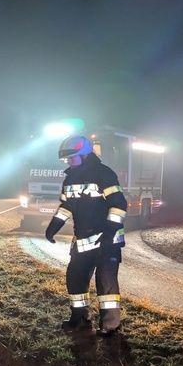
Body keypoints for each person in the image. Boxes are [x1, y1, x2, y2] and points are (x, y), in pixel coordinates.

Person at [44, 135, 128, 336]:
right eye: (66, 159)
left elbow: (119, 205)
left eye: (71, 158)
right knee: (75, 279)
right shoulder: (70, 178)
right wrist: (53, 227)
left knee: (105, 284)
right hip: (82, 242)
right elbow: (67, 206)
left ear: (84, 155)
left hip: (107, 241)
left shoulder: (104, 174)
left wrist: (109, 232)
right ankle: (80, 320)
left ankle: (110, 326)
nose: (68, 162)